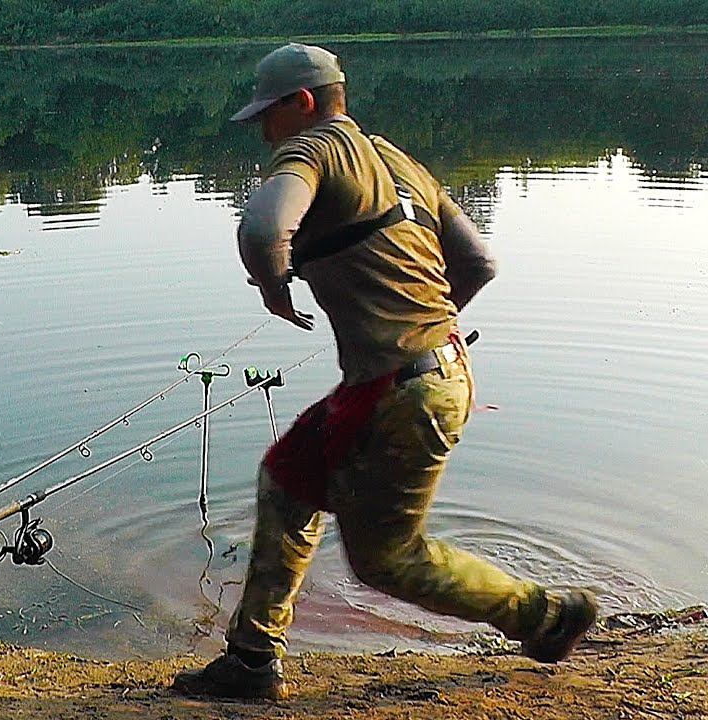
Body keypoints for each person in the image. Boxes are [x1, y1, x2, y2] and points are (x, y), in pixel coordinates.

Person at [172, 43, 598, 700]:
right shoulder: (398, 161)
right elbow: (478, 263)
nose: (264, 131)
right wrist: (423, 329)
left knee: (387, 559)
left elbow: (261, 229)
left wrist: (273, 286)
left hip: (402, 391)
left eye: (268, 115)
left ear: (303, 103)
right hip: (427, 376)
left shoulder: (314, 148)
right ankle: (252, 660)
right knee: (290, 480)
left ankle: (546, 617)